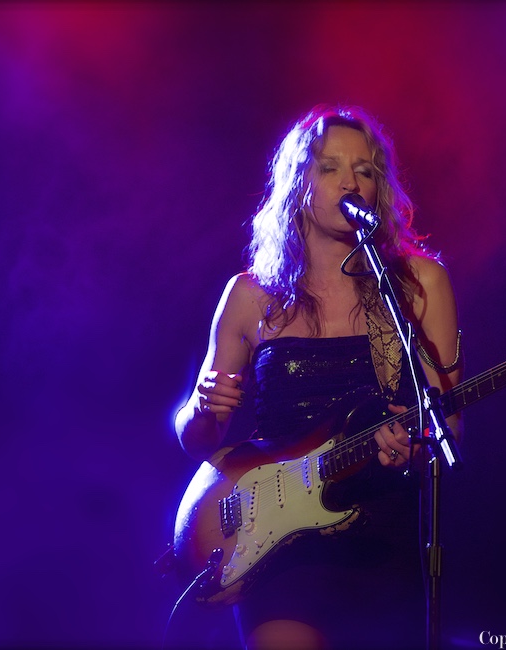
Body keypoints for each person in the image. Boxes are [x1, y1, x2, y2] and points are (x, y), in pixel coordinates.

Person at [173, 104, 463, 650]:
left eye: (365, 169)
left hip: (383, 529)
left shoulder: (420, 284)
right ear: (297, 182)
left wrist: (412, 445)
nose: (350, 181)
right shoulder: (251, 295)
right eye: (329, 167)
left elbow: (452, 429)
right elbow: (197, 437)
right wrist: (205, 411)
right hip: (279, 542)